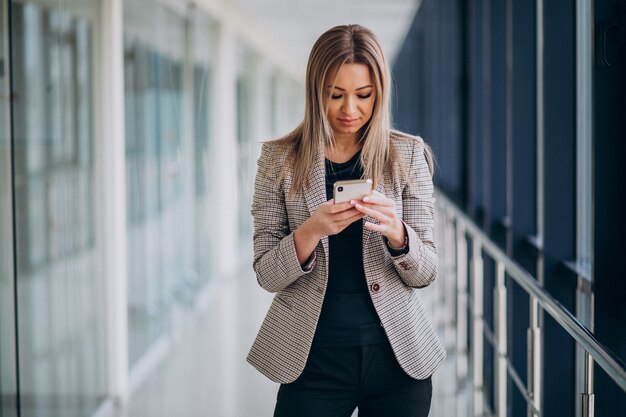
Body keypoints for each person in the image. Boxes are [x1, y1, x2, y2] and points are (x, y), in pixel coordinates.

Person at [247, 24, 446, 417]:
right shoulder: (278, 160)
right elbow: (266, 274)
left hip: (397, 361)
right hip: (311, 361)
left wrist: (398, 235)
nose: (349, 109)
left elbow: (426, 272)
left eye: (363, 95)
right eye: (335, 95)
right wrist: (311, 231)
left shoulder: (406, 156)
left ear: (380, 93)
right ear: (314, 91)